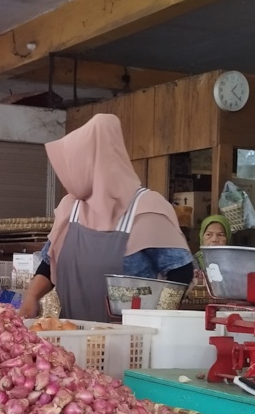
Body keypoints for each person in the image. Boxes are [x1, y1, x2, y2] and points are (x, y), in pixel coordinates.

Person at [20, 115, 193, 322]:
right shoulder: (71, 208)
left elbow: (181, 272)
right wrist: (31, 297)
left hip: (130, 336)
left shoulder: (146, 208)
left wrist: (155, 319)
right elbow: (49, 264)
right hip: (73, 332)